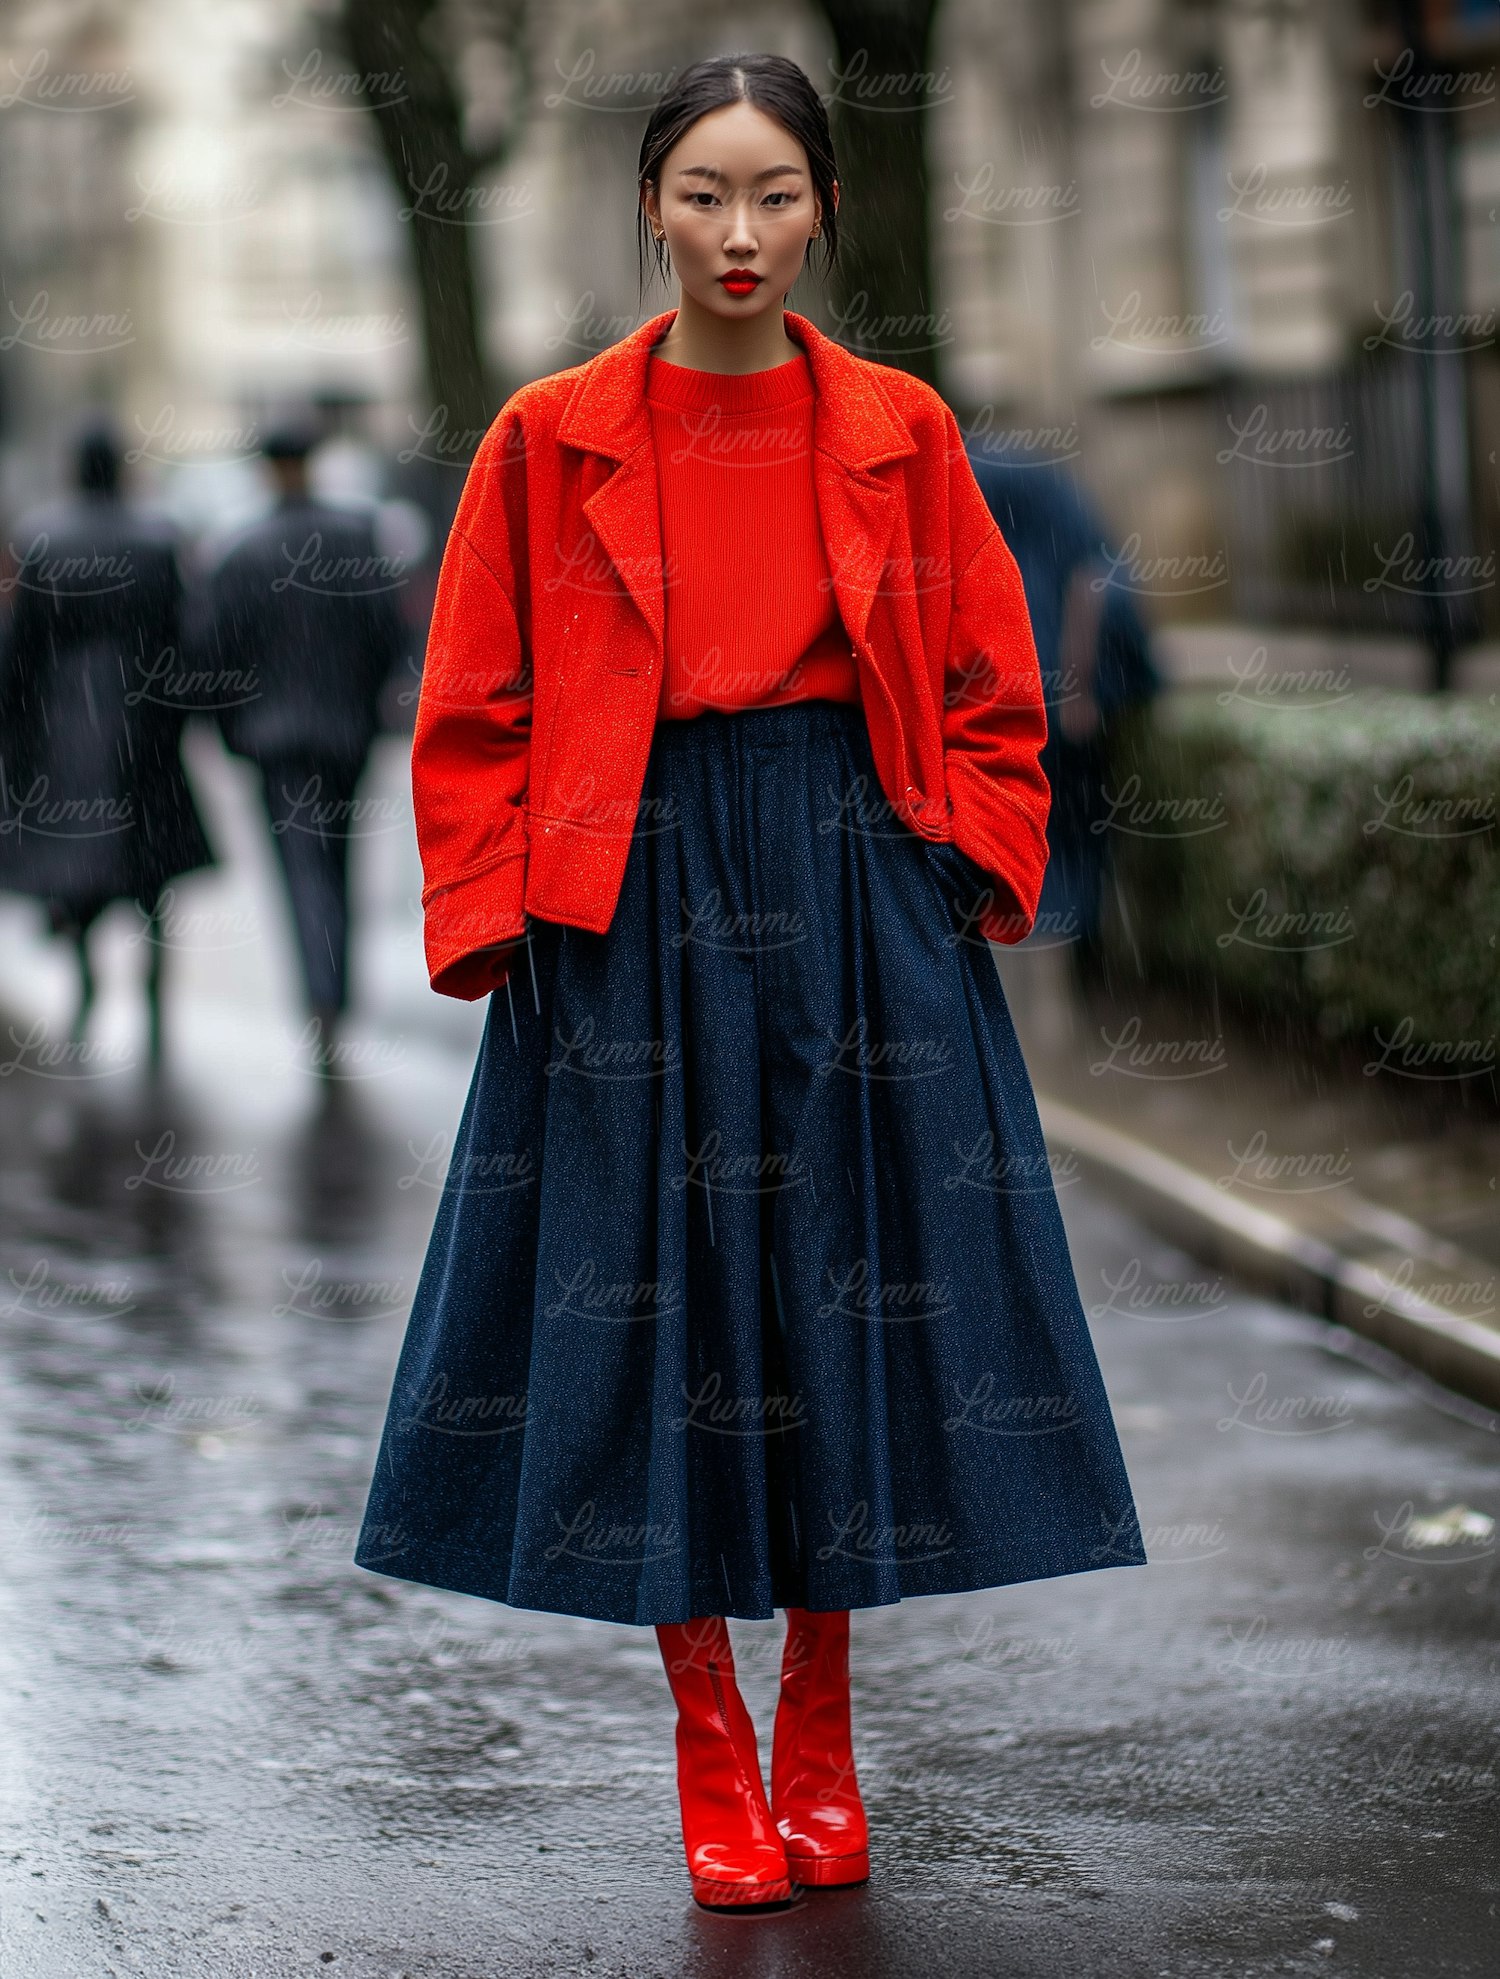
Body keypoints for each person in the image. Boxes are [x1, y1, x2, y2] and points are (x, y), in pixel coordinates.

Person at [354, 54, 1146, 1912]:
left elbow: (990, 683)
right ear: (652, 206)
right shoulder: (547, 437)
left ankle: (821, 1725)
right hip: (621, 895)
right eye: (704, 193)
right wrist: (504, 912)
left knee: (839, 1311)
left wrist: (964, 866)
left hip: (856, 885)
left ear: (824, 210)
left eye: (774, 192)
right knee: (663, 1320)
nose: (738, 231)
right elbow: (470, 704)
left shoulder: (900, 425)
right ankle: (708, 1738)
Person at [192, 418, 409, 1069]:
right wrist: (366, 706)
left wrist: (234, 731)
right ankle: (335, 988)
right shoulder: (357, 537)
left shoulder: (239, 553)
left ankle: (320, 997)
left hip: (275, 739)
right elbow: (387, 634)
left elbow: (212, 656)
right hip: (343, 733)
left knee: (298, 867)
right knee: (337, 862)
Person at [0, 414, 214, 1064]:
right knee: (149, 864)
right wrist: (182, 709)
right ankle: (153, 975)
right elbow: (186, 630)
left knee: (77, 864)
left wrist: (16, 721)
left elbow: (23, 644)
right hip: (140, 715)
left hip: (65, 722)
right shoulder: (157, 535)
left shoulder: (42, 537)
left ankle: (85, 974)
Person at [964, 444, 1162, 990]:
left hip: (1013, 686)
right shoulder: (1044, 494)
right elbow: (1098, 579)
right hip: (1052, 691)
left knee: (1043, 840)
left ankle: (1054, 961)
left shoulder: (982, 482)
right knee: (1070, 836)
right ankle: (1070, 961)